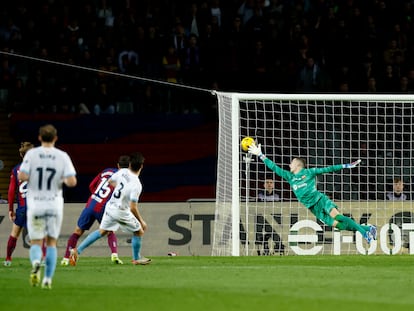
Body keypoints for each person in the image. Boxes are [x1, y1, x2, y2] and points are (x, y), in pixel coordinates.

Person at [248, 142, 377, 244]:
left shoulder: (309, 173)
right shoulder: (289, 177)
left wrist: (345, 166)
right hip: (313, 208)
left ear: (298, 165)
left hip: (321, 200)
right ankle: (368, 229)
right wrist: (260, 155)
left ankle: (365, 234)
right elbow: (274, 167)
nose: (289, 165)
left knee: (338, 217)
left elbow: (328, 169)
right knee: (340, 226)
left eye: (291, 163)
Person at [18, 124, 77, 289]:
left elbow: (22, 176)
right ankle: (47, 280)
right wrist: (63, 179)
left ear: (39, 138)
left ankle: (36, 262)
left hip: (36, 204)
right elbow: (72, 181)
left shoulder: (31, 155)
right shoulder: (62, 156)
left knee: (36, 242)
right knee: (51, 243)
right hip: (54, 205)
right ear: (55, 138)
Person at [70, 152, 151, 266]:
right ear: (141, 166)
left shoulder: (122, 172)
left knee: (102, 231)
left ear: (129, 164)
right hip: (121, 211)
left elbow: (110, 182)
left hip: (110, 206)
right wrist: (141, 221)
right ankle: (136, 258)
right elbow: (133, 207)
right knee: (139, 231)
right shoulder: (137, 184)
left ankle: (76, 251)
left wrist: (120, 190)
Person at [60, 155, 130, 266]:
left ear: (118, 165)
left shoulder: (106, 171)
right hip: (104, 206)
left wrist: (96, 197)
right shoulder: (125, 179)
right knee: (109, 231)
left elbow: (91, 185)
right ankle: (114, 255)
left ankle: (65, 259)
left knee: (78, 231)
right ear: (129, 167)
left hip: (91, 203)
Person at [4, 142, 36, 266]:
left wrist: (11, 209)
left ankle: (7, 259)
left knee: (14, 234)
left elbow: (11, 191)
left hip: (22, 208)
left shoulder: (16, 169)